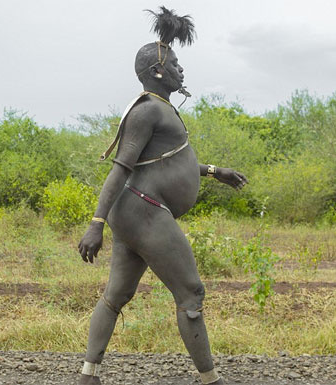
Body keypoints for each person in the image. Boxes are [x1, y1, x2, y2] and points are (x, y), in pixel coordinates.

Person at [76, 7, 248, 385]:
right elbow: (121, 169)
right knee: (191, 292)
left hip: (135, 212)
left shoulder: (161, 110)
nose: (181, 71)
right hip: (145, 211)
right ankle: (212, 381)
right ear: (157, 71)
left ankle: (88, 376)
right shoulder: (148, 110)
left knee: (115, 296)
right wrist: (95, 224)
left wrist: (215, 172)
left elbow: (165, 165)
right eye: (175, 64)